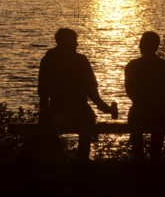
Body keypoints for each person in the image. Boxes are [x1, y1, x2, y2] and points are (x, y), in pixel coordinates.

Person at [38, 28, 116, 162]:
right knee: (88, 123)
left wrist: (45, 111)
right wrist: (105, 108)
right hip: (79, 112)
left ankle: (53, 160)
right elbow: (92, 91)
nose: (76, 44)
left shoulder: (48, 59)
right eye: (74, 41)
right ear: (65, 41)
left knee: (46, 128)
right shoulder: (80, 61)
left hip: (56, 110)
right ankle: (83, 160)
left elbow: (42, 91)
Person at [125, 31, 165, 162]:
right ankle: (155, 160)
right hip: (161, 112)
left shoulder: (132, 66)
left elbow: (130, 91)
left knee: (136, 128)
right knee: (157, 138)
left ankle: (138, 160)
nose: (139, 45)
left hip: (139, 112)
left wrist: (142, 103)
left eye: (141, 42)